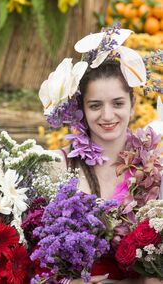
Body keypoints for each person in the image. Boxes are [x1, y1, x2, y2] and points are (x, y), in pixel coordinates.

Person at [39, 26, 163, 284]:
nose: (107, 116)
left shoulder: (154, 168)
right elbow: (37, 254)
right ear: (81, 109)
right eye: (95, 105)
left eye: (117, 103)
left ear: (133, 103)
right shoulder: (59, 166)